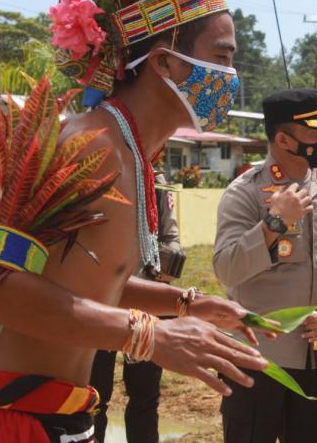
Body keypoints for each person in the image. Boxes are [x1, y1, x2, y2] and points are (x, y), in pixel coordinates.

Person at [0, 0, 271, 442]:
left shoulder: (130, 155)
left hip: (60, 417)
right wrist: (150, 336)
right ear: (164, 64)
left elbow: (84, 281)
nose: (231, 76)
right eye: (221, 56)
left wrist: (187, 304)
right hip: (14, 424)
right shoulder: (89, 145)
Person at [214, 89, 317, 443]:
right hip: (257, 358)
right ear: (283, 139)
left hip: (315, 358)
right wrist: (273, 222)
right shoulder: (245, 193)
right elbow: (226, 269)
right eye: (315, 132)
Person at [90, 166, 186, 443]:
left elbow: (171, 237)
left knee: (145, 395)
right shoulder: (100, 170)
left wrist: (165, 262)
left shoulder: (155, 179)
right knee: (95, 395)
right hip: (101, 301)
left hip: (146, 305)